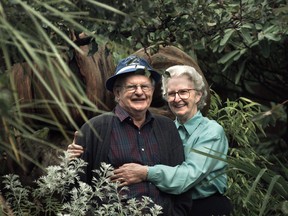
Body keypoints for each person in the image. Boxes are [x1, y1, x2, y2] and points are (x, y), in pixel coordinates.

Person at [67, 56, 193, 215]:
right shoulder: (94, 129)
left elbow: (181, 177)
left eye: (145, 87)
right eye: (132, 87)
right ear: (117, 93)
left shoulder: (167, 127)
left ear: (152, 91)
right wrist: (70, 162)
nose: (139, 92)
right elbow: (76, 189)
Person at [111, 65, 232, 215]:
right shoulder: (164, 130)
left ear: (198, 95)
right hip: (173, 208)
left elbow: (188, 176)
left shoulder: (211, 132)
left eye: (183, 92)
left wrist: (146, 173)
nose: (177, 99)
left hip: (205, 208)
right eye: (171, 93)